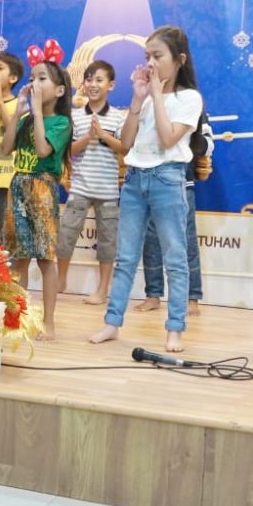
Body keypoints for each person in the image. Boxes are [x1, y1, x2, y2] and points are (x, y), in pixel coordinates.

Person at [90, 26, 202, 353]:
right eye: (147, 56)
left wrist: (156, 95)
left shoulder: (190, 98)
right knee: (125, 257)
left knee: (175, 258)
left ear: (179, 60)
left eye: (157, 56)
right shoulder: (146, 97)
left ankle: (175, 329)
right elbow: (126, 143)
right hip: (135, 179)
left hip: (167, 178)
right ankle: (112, 323)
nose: (150, 63)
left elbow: (168, 139)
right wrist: (138, 100)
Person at [0, 60, 73, 340]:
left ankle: (48, 321)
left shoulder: (62, 122)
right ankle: (17, 318)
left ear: (59, 90)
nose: (34, 84)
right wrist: (19, 112)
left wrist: (38, 112)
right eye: (32, 78)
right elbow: (6, 148)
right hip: (18, 185)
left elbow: (42, 150)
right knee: (18, 258)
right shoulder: (26, 120)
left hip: (42, 188)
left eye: (42, 79)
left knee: (45, 259)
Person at [57, 60, 127, 305]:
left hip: (108, 191)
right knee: (65, 234)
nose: (93, 84)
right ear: (83, 84)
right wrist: (88, 137)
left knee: (107, 243)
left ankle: (102, 290)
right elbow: (68, 151)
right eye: (89, 80)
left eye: (99, 80)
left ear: (111, 85)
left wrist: (104, 136)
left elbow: (125, 148)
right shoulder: (74, 116)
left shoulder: (118, 117)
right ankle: (61, 280)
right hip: (80, 187)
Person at [134, 111, 213, 316]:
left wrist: (185, 142)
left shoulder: (193, 105)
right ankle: (153, 295)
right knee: (151, 240)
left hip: (181, 183)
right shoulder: (149, 104)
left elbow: (209, 144)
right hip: (150, 180)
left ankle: (191, 297)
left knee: (186, 241)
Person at [0, 52, 24, 242]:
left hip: (7, 180)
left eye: (0, 68)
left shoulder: (20, 105)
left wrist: (0, 102)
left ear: (13, 78)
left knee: (8, 235)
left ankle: (7, 263)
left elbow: (13, 136)